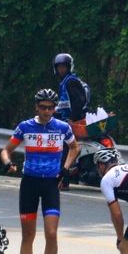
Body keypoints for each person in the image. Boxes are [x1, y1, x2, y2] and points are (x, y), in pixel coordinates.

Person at [0, 89, 80, 254]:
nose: (46, 111)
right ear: (36, 106)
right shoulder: (25, 127)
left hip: (51, 184)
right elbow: (5, 150)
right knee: (28, 236)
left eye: (50, 108)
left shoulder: (62, 127)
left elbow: (74, 147)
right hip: (30, 184)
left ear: (55, 108)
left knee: (51, 234)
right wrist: (8, 163)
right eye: (43, 107)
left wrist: (66, 168)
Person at [53, 53, 90, 190]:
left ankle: (64, 182)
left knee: (65, 150)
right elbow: (67, 102)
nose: (61, 70)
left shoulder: (70, 81)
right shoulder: (66, 81)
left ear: (69, 67)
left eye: (64, 67)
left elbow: (78, 101)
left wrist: (71, 119)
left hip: (72, 121)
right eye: (59, 67)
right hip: (67, 119)